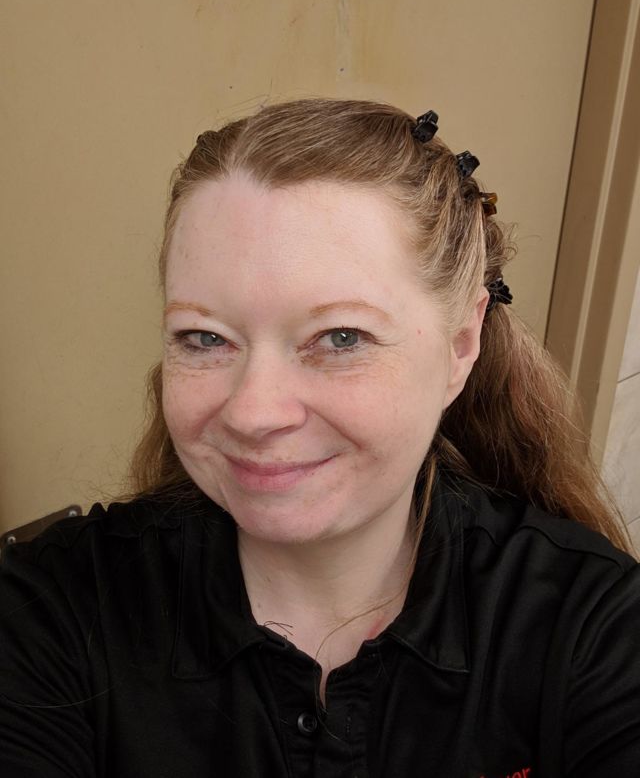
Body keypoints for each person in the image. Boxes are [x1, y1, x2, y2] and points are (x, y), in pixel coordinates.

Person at [1, 98, 638, 777]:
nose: (254, 413)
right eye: (205, 338)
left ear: (461, 344)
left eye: (340, 337)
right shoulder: (50, 612)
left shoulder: (592, 627)